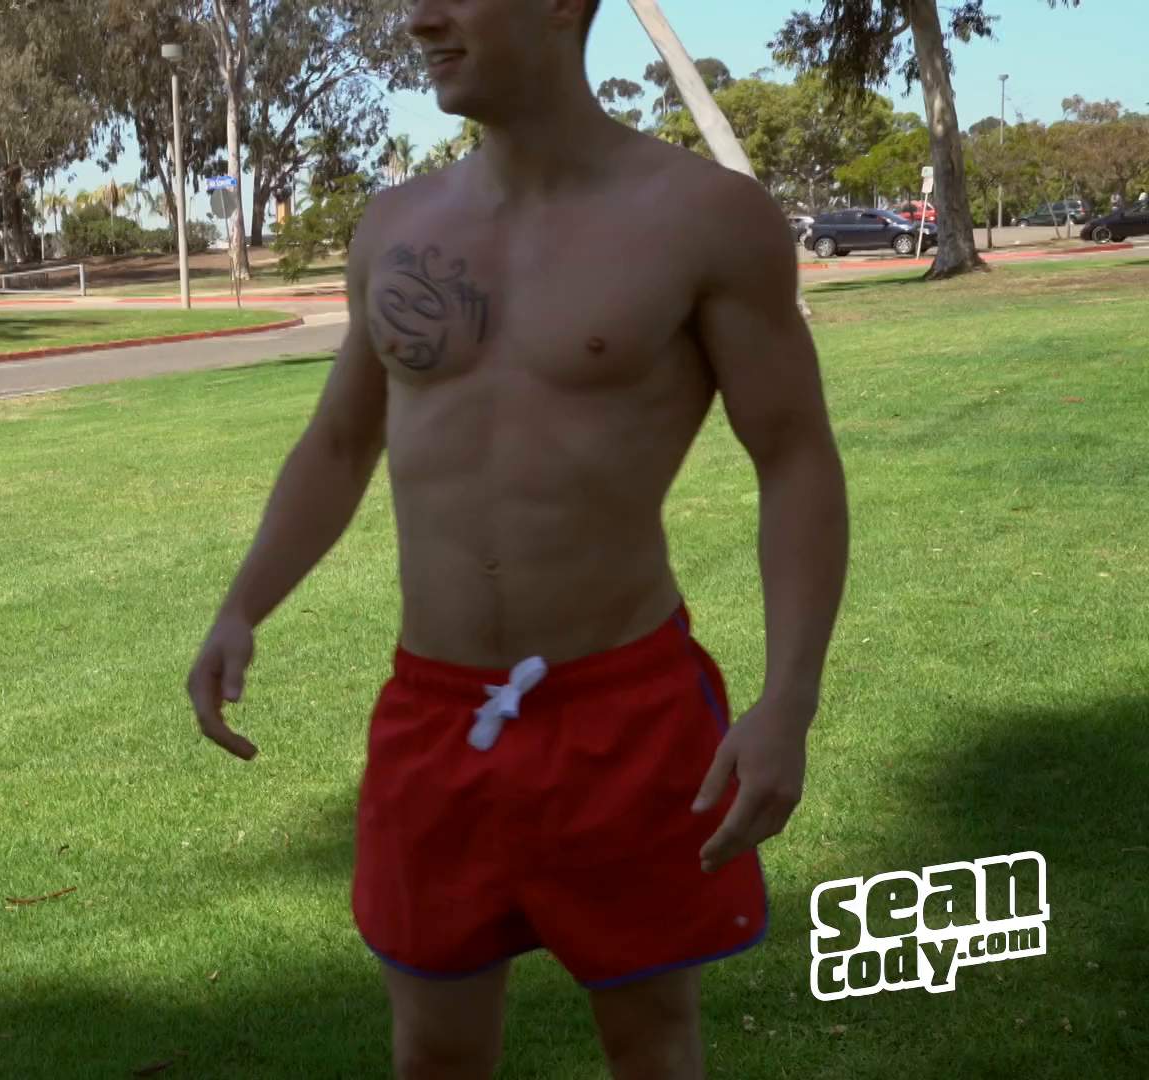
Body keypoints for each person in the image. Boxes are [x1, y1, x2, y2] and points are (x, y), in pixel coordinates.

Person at [185, 0, 848, 1077]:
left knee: (652, 1044)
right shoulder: (396, 224)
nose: (418, 18)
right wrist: (241, 605)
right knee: (434, 1053)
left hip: (624, 710)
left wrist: (790, 701)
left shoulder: (703, 217)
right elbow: (341, 442)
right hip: (434, 715)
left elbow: (794, 456)